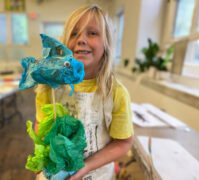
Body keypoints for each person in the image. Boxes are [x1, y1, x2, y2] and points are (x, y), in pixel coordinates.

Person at [35, 4, 134, 180]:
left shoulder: (116, 92)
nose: (81, 39)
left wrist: (86, 165)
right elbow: (40, 125)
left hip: (98, 175)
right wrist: (43, 152)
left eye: (92, 33)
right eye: (74, 33)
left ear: (106, 43)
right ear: (64, 43)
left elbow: (123, 142)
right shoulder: (50, 87)